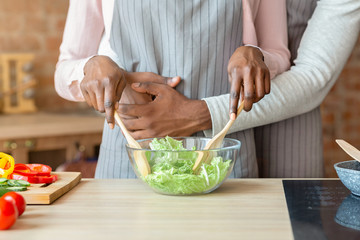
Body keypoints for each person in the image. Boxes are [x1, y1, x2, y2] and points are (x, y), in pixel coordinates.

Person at [55, 0, 290, 178]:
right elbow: (64, 70)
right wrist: (90, 66)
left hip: (221, 157)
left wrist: (255, 54)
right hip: (130, 154)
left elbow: (279, 55)